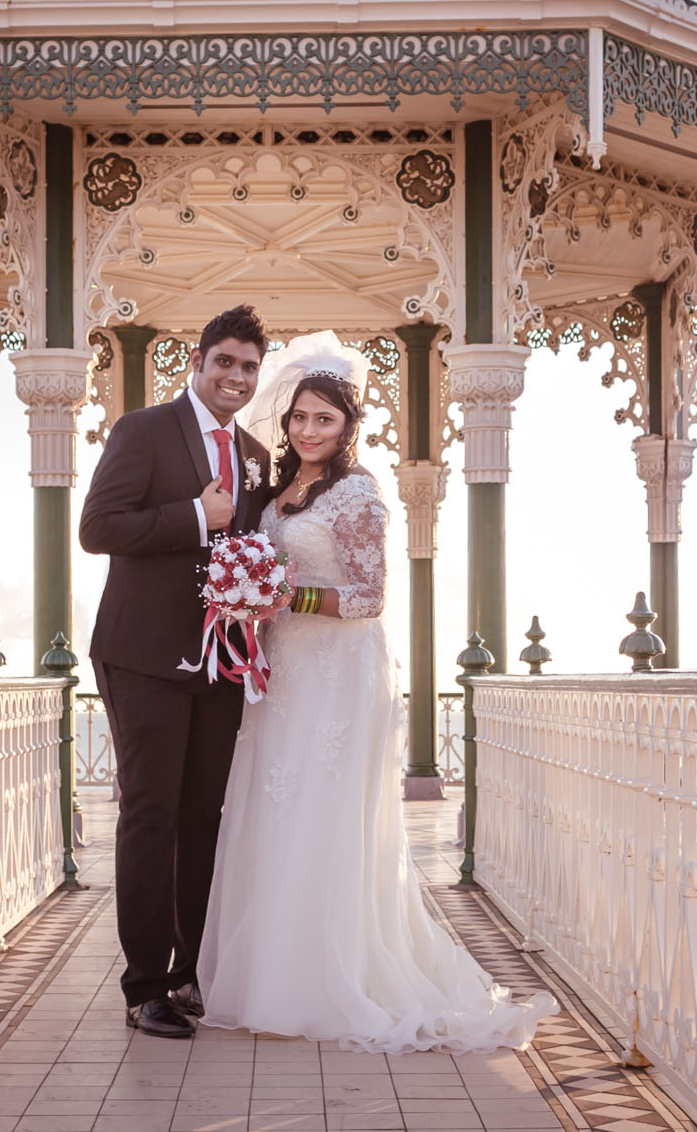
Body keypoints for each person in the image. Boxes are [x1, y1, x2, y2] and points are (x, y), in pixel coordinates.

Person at [198, 333, 552, 1052]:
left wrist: (284, 598)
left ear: (347, 427)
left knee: (324, 813)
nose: (307, 429)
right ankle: (267, 974)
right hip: (286, 671)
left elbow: (370, 596)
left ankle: (334, 975)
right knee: (274, 805)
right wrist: (248, 600)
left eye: (324, 419)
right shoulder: (277, 495)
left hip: (338, 671)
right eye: (299, 417)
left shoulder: (359, 495)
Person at [78, 304, 276, 1039]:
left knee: (204, 816)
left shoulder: (254, 452)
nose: (235, 376)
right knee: (152, 812)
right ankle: (144, 985)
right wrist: (195, 516)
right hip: (144, 654)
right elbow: (98, 527)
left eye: (248, 367)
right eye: (224, 361)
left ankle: (192, 971)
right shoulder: (143, 430)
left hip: (221, 661)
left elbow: (249, 543)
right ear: (197, 362)